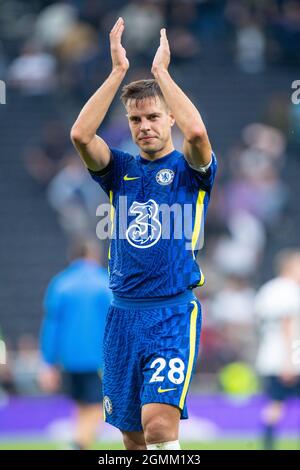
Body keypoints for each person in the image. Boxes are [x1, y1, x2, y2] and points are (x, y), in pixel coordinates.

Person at [70, 17, 217, 450]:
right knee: (133, 442)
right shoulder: (120, 170)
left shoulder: (191, 170)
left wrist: (161, 75)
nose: (145, 126)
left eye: (153, 116)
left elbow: (197, 132)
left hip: (171, 313)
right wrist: (117, 73)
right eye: (136, 120)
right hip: (121, 316)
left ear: (168, 118)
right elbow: (81, 134)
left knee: (158, 429)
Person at [39, 238, 112, 450]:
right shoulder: (104, 282)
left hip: (69, 360)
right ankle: (77, 445)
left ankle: (79, 443)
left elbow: (51, 325)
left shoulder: (60, 283)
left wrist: (48, 362)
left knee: (82, 406)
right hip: (98, 358)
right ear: (94, 255)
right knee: (98, 407)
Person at [254, 249, 300, 450]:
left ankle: (267, 445)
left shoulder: (267, 290)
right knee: (277, 405)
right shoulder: (290, 290)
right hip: (288, 357)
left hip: (268, 356)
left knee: (275, 404)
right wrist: (290, 360)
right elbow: (288, 325)